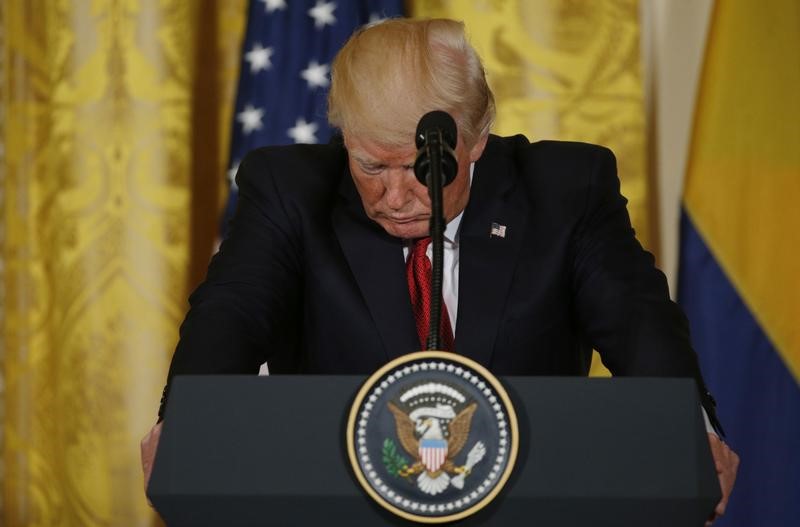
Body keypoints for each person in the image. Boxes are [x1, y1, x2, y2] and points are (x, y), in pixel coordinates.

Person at [141, 18, 738, 523]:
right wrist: (188, 420)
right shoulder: (289, 190)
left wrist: (689, 432)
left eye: (421, 168)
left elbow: (638, 323)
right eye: (370, 164)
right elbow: (232, 310)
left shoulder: (566, 190)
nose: (395, 195)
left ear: (477, 139)